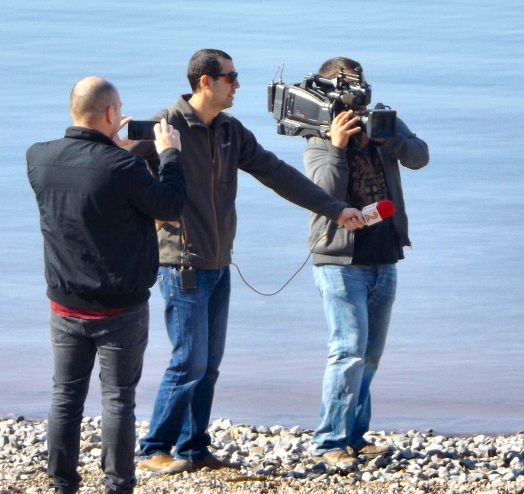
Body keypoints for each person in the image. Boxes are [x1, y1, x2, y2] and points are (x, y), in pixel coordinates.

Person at [129, 49, 365, 474]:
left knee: (209, 364)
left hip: (219, 264)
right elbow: (118, 172)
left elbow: (277, 173)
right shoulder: (166, 126)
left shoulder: (229, 131)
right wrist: (151, 211)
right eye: (230, 76)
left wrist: (333, 208)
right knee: (188, 361)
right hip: (180, 264)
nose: (237, 84)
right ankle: (153, 449)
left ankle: (194, 447)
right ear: (206, 81)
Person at [26, 76, 187, 494]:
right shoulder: (124, 166)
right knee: (118, 400)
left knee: (66, 398)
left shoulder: (38, 158)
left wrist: (111, 151)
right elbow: (170, 206)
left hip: (64, 304)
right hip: (119, 308)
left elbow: (88, 195)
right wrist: (169, 154)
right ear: (113, 114)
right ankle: (118, 486)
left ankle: (62, 484)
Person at [302, 57, 429, 471]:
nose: (353, 99)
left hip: (384, 255)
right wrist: (338, 145)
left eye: (359, 88)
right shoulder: (318, 134)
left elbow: (420, 156)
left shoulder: (382, 121)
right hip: (339, 258)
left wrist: (385, 139)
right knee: (347, 349)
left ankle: (355, 435)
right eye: (346, 89)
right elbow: (322, 192)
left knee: (369, 354)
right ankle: (329, 441)